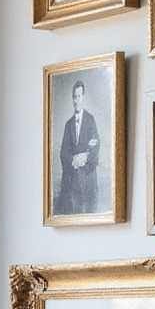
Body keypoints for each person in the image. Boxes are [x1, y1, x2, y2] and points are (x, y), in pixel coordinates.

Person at [55, 81, 100, 216]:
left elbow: (96, 146)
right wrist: (74, 161)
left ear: (83, 98)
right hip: (72, 181)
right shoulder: (68, 124)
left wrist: (84, 157)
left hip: (87, 179)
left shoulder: (90, 120)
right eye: (74, 97)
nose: (76, 100)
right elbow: (63, 153)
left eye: (79, 96)